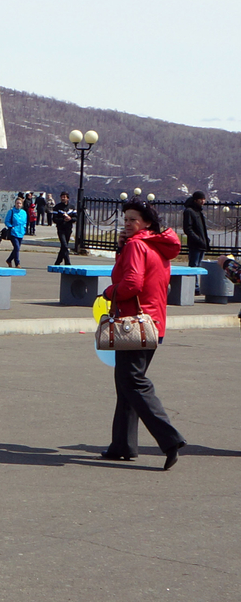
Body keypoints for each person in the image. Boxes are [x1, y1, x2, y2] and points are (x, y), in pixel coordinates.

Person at [99, 200, 186, 468]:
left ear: (147, 222)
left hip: (134, 324)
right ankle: (123, 444)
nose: (127, 223)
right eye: (125, 219)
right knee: (126, 383)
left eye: (133, 219)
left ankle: (170, 439)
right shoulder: (155, 246)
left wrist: (109, 293)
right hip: (153, 322)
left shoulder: (137, 245)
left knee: (132, 380)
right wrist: (121, 249)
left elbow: (132, 282)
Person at [182, 191, 209, 269]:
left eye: (204, 199)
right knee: (193, 266)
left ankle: (197, 281)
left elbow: (201, 229)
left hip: (202, 244)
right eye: (200, 199)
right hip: (195, 245)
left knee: (199, 267)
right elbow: (188, 229)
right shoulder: (189, 211)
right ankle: (194, 281)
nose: (203, 201)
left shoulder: (199, 211)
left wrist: (205, 240)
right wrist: (198, 239)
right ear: (195, 200)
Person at [2, 196, 28, 267]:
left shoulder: (24, 213)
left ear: (22, 204)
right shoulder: (11, 211)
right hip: (13, 233)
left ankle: (9, 260)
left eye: (20, 203)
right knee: (16, 247)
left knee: (17, 248)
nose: (18, 205)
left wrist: (24, 228)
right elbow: (6, 221)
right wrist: (11, 227)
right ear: (15, 204)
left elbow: (25, 221)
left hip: (21, 232)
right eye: (17, 203)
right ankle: (17, 263)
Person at [51, 193, 76, 266]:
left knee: (63, 247)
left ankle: (58, 262)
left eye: (64, 197)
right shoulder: (57, 207)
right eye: (62, 197)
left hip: (68, 229)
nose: (63, 198)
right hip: (60, 229)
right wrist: (63, 220)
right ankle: (67, 263)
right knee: (65, 245)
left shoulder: (72, 207)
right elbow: (55, 219)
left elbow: (76, 218)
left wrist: (70, 219)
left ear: (67, 198)